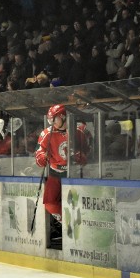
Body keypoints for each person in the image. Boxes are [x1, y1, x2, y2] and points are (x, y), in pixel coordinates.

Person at [35, 105, 88, 246]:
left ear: (63, 117)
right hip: (55, 172)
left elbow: (88, 152)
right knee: (50, 203)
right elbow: (39, 151)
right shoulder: (47, 133)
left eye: (55, 119)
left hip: (74, 174)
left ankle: (79, 225)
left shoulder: (77, 132)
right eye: (50, 119)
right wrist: (41, 157)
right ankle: (66, 222)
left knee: (77, 203)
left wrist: (81, 157)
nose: (52, 122)